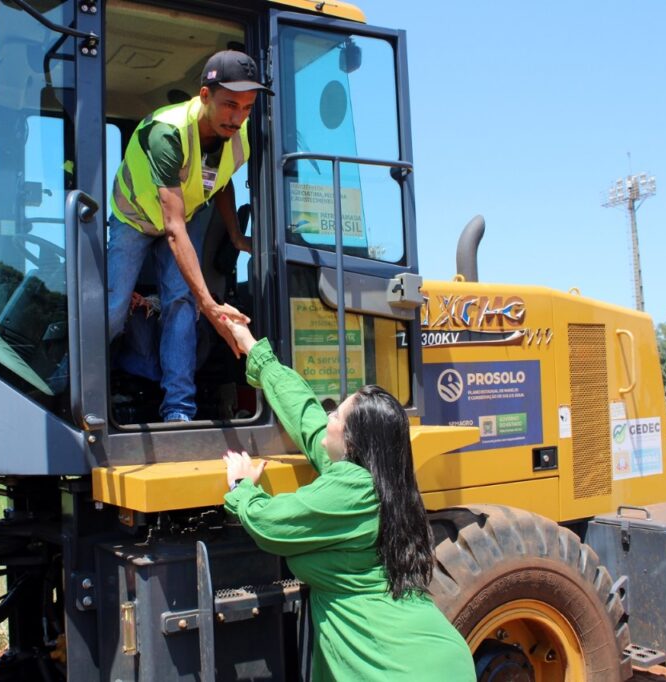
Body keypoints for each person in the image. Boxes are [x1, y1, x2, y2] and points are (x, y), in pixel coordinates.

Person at [221, 319, 476, 681]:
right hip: (430, 655)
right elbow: (307, 416)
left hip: (402, 669)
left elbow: (271, 524)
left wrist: (242, 489)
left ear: (354, 440)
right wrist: (256, 353)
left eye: (337, 415)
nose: (328, 416)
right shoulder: (377, 475)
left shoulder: (352, 488)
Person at [106, 50, 272, 422]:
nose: (239, 116)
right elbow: (173, 227)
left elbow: (222, 181)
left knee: (180, 303)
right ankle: (83, 392)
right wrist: (210, 307)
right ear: (204, 96)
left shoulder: (238, 134)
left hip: (189, 210)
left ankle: (178, 410)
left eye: (247, 107)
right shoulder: (167, 133)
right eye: (230, 105)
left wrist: (235, 235)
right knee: (114, 309)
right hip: (134, 216)